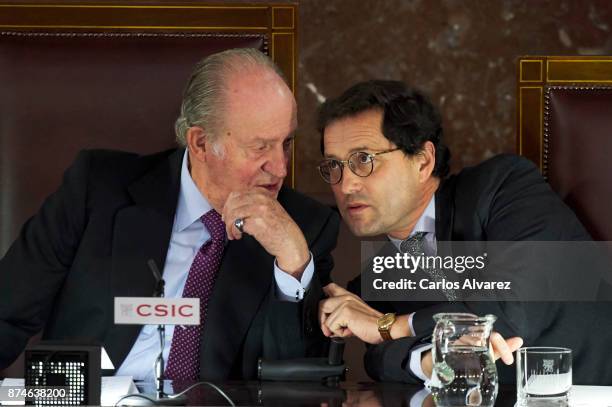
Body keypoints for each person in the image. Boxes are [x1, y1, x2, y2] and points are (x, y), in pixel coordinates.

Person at [0, 48, 340, 381]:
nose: (280, 168)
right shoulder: (97, 191)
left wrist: (293, 262)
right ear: (201, 143)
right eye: (260, 147)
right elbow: (7, 313)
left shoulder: (305, 227)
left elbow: (302, 380)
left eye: (286, 143)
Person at [316, 80, 612, 385]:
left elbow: (514, 308)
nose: (345, 185)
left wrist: (390, 326)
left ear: (422, 160)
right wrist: (430, 362)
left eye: (364, 159)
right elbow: (380, 359)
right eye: (334, 166)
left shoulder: (503, 188)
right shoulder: (373, 281)